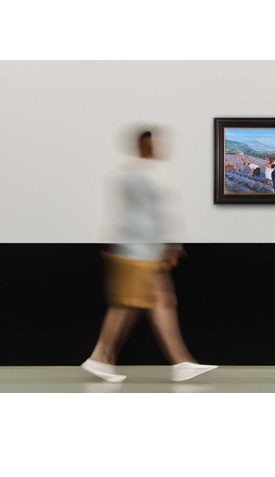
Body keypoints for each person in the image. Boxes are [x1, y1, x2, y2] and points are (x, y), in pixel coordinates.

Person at [81, 130, 217, 383]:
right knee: (127, 304)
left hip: (143, 250)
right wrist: (168, 245)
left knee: (161, 300)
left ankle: (181, 362)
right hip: (138, 251)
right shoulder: (136, 178)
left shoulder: (139, 176)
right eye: (155, 144)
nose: (159, 148)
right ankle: (100, 357)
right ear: (145, 146)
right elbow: (145, 218)